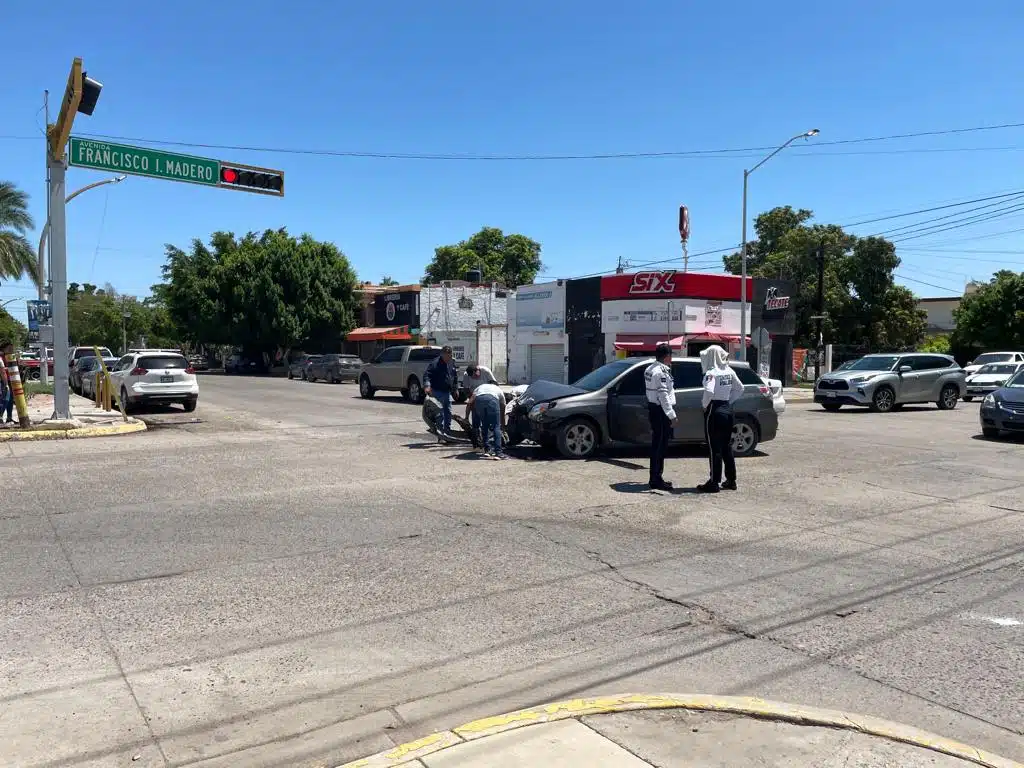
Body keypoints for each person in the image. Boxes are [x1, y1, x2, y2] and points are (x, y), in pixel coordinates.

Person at [697, 345, 745, 493]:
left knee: (714, 448)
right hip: (727, 410)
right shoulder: (729, 371)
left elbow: (709, 391)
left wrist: (705, 405)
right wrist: (728, 401)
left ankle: (714, 482)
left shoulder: (711, 373)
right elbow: (740, 388)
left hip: (714, 410)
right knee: (726, 446)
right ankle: (731, 480)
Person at [644, 343, 677, 491]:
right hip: (661, 410)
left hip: (653, 408)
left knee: (657, 444)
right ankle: (656, 479)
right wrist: (672, 415)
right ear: (667, 356)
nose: (671, 358)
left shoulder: (649, 369)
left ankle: (655, 477)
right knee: (660, 446)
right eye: (671, 355)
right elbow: (663, 395)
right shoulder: (661, 372)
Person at [424, 346, 458, 442]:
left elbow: (454, 376)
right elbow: (427, 375)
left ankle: (447, 433)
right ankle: (441, 436)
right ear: (442, 354)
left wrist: (455, 389)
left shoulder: (452, 362)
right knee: (440, 414)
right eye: (447, 355)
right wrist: (427, 386)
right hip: (437, 391)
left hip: (447, 392)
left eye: (450, 355)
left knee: (448, 413)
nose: (448, 357)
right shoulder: (435, 363)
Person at [466, 380, 506, 458]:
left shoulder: (480, 387)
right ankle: (498, 453)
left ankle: (487, 450)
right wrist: (503, 425)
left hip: (479, 400)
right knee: (496, 426)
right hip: (492, 400)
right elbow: (503, 409)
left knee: (485, 425)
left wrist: (466, 417)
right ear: (496, 385)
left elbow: (470, 402)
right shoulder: (498, 389)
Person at [462, 363, 497, 437]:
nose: (475, 378)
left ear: (478, 370)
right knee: (475, 417)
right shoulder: (466, 375)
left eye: (476, 376)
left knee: (488, 417)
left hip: (487, 395)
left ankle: (490, 434)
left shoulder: (486, 371)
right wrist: (466, 418)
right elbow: (466, 389)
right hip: (474, 395)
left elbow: (494, 384)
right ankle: (476, 434)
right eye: (472, 377)